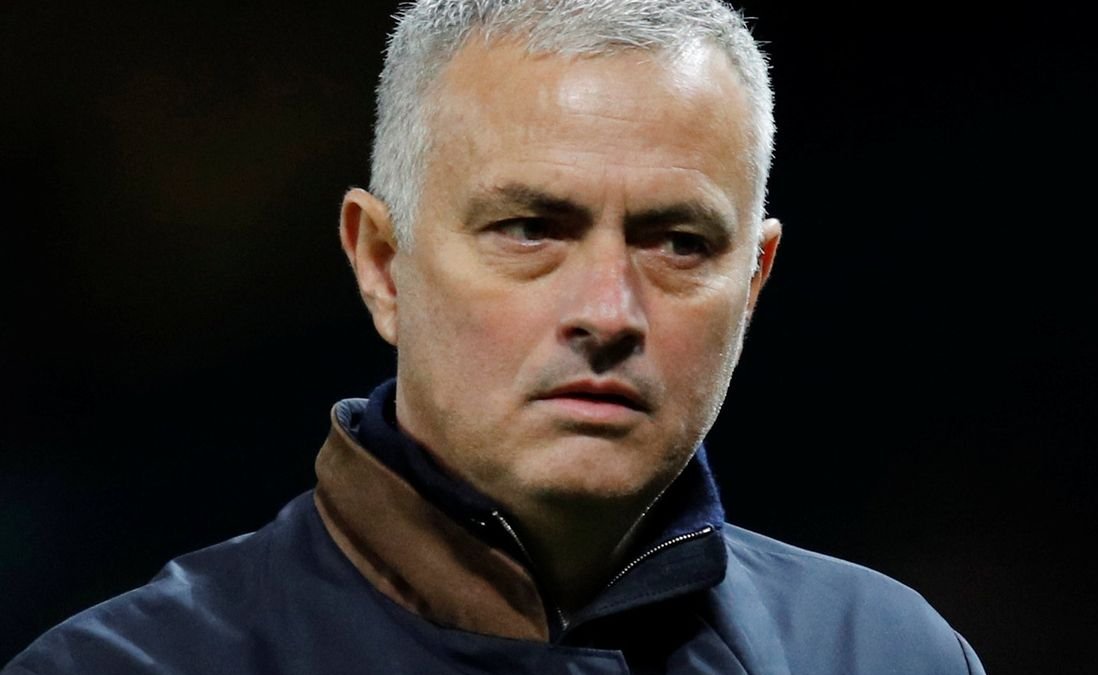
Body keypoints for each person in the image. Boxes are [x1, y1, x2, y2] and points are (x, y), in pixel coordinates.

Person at [4, 1, 985, 673]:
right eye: (530, 229)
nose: (609, 311)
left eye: (679, 242)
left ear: (755, 282)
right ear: (381, 263)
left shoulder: (888, 654)